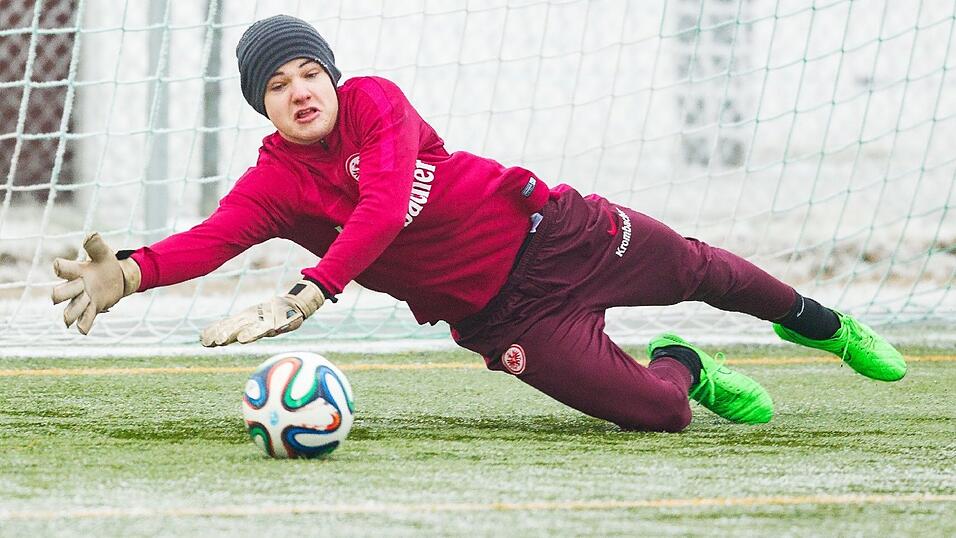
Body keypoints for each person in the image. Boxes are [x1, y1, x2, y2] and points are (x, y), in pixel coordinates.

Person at [51, 15, 906, 432]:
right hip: (506, 317)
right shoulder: (276, 183)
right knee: (661, 419)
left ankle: (827, 327)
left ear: (334, 79)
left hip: (556, 231)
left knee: (700, 270)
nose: (301, 89)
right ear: (262, 107)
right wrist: (127, 271)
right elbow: (210, 239)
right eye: (278, 85)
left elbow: (385, 203)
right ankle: (687, 366)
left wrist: (312, 292)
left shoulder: (376, 102)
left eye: (310, 72)